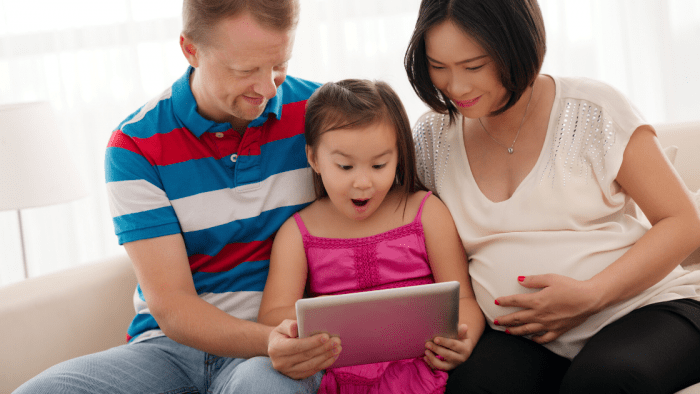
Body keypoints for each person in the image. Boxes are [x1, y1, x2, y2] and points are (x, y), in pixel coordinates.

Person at [14, 1, 338, 393]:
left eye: (279, 65)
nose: (268, 87)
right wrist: (266, 340)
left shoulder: (322, 114)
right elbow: (173, 306)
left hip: (277, 350)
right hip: (169, 349)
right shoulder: (136, 144)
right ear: (190, 50)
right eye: (245, 70)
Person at [404, 0, 700, 393]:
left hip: (642, 310)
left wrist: (591, 295)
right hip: (523, 338)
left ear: (518, 45)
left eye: (473, 66)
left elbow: (683, 224)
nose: (455, 87)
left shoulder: (593, 110)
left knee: (605, 382)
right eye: (438, 67)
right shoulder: (430, 138)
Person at [257, 79, 486, 393]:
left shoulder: (426, 212)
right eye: (345, 166)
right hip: (334, 378)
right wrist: (325, 323)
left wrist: (465, 340)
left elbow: (464, 300)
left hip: (423, 373)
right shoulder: (297, 233)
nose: (363, 182)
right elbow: (270, 315)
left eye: (379, 164)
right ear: (314, 159)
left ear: (399, 156)